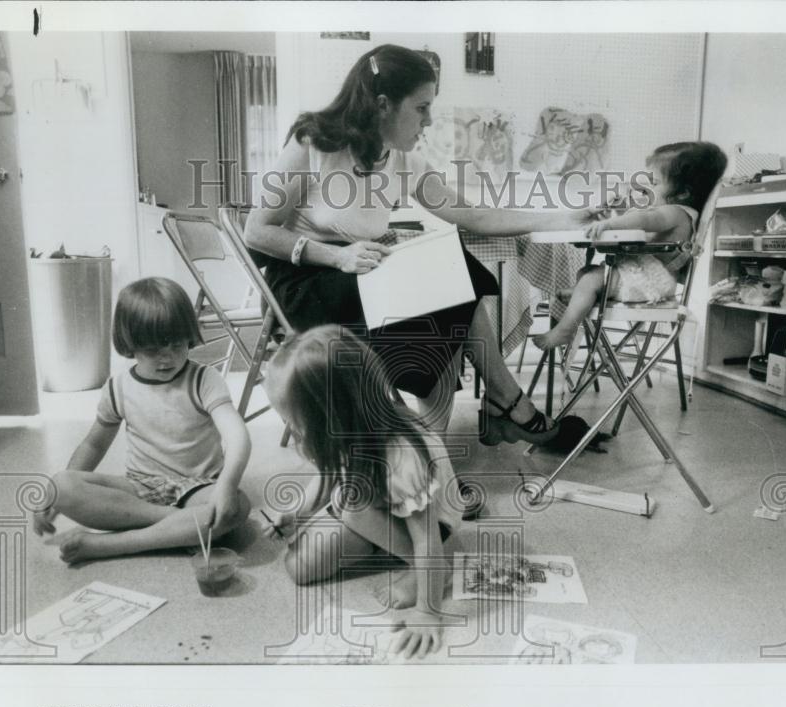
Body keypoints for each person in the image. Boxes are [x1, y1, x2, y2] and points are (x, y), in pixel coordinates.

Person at [244, 44, 599, 447]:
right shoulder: (314, 144)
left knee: (453, 291)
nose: (429, 121)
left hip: (360, 283)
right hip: (306, 289)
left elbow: (474, 215)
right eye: (421, 108)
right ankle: (505, 407)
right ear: (382, 105)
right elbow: (256, 231)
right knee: (454, 287)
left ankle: (435, 454)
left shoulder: (401, 161)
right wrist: (338, 255)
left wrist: (563, 218)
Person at [262, 325, 462, 659]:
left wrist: (427, 611)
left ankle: (433, 571)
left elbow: (426, 535)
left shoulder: (399, 455)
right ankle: (376, 538)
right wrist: (297, 513)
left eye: (293, 420)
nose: (291, 429)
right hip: (372, 502)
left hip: (430, 526)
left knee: (353, 511)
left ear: (331, 415)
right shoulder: (352, 426)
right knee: (299, 566)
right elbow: (330, 472)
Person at [32, 277, 252, 564]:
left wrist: (224, 487)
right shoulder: (118, 387)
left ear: (189, 335)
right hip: (138, 490)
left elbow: (237, 438)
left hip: (198, 487)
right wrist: (56, 497)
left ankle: (114, 544)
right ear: (130, 344)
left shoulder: (203, 380)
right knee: (61, 484)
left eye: (176, 345)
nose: (167, 358)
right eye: (152, 350)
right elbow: (93, 445)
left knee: (237, 505)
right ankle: (176, 526)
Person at [533, 141, 728, 350]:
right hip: (641, 275)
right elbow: (641, 222)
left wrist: (609, 223)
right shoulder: (673, 212)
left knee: (589, 280)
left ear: (682, 194)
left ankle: (565, 330)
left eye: (654, 184)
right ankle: (581, 297)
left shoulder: (674, 212)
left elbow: (644, 220)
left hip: (650, 283)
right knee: (587, 272)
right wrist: (616, 214)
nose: (645, 189)